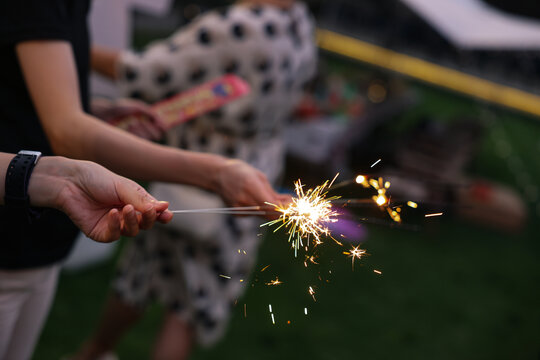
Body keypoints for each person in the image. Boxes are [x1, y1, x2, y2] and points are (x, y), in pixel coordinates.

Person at [0, 1, 285, 359]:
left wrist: (92, 108)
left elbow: (18, 84)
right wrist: (215, 173)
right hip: (10, 232)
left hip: (40, 229)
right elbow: (67, 132)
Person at [74, 0, 316, 359]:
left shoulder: (242, 27)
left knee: (141, 281)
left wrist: (62, 50)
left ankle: (92, 354)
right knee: (188, 306)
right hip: (257, 174)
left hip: (198, 173)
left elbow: (143, 73)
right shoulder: (299, 23)